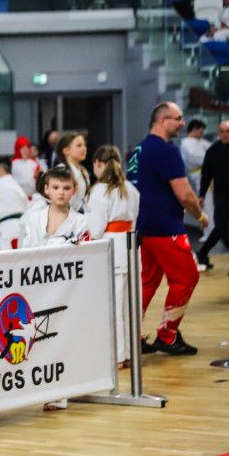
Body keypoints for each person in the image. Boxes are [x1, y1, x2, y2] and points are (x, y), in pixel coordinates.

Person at [126, 102, 208, 356]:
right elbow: (184, 194)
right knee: (187, 277)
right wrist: (200, 216)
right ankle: (167, 335)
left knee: (147, 281)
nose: (183, 124)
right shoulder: (166, 150)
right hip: (164, 227)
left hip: (142, 227)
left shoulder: (138, 149)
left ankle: (130, 335)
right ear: (162, 120)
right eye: (178, 118)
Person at [85, 146, 140, 366]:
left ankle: (116, 357)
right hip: (131, 248)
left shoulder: (99, 191)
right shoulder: (131, 189)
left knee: (114, 307)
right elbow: (135, 221)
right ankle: (129, 354)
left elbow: (95, 229)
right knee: (130, 307)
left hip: (111, 249)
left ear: (97, 163)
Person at [196, 120, 229, 270]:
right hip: (221, 196)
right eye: (222, 131)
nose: (226, 134)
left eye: (228, 131)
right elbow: (206, 174)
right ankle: (203, 252)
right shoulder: (212, 151)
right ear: (218, 133)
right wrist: (201, 194)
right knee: (221, 226)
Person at [19, 165, 89, 247]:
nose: (61, 192)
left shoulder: (81, 222)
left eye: (66, 188)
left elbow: (85, 253)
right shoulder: (34, 219)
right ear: (47, 189)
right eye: (56, 188)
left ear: (74, 190)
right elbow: (26, 251)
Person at [56, 132, 90, 212]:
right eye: (79, 146)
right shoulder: (61, 171)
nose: (84, 148)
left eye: (84, 145)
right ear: (66, 151)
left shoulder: (83, 171)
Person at [180, 119, 209, 198]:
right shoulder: (186, 143)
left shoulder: (201, 141)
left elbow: (212, 148)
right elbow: (200, 159)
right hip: (198, 176)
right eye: (201, 131)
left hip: (206, 174)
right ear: (194, 129)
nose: (202, 134)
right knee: (205, 200)